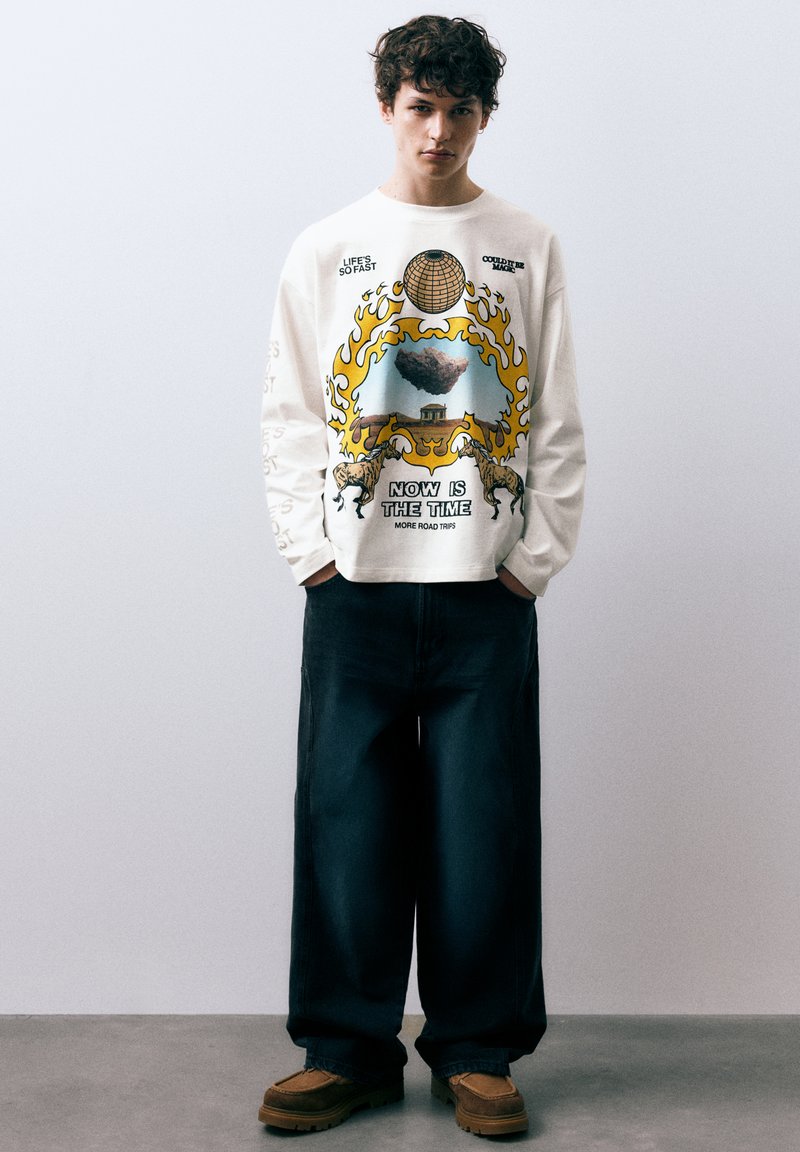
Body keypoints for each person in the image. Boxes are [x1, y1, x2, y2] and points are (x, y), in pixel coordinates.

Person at [258, 14, 585, 1137]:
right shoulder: (327, 246)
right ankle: (344, 1050)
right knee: (345, 825)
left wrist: (531, 562)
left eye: (458, 110)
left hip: (482, 592)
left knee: (481, 830)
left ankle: (477, 1052)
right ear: (386, 107)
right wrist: (312, 555)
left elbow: (554, 415)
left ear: (484, 116)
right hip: (355, 589)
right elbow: (292, 409)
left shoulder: (526, 244)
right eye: (418, 107)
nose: (437, 131)